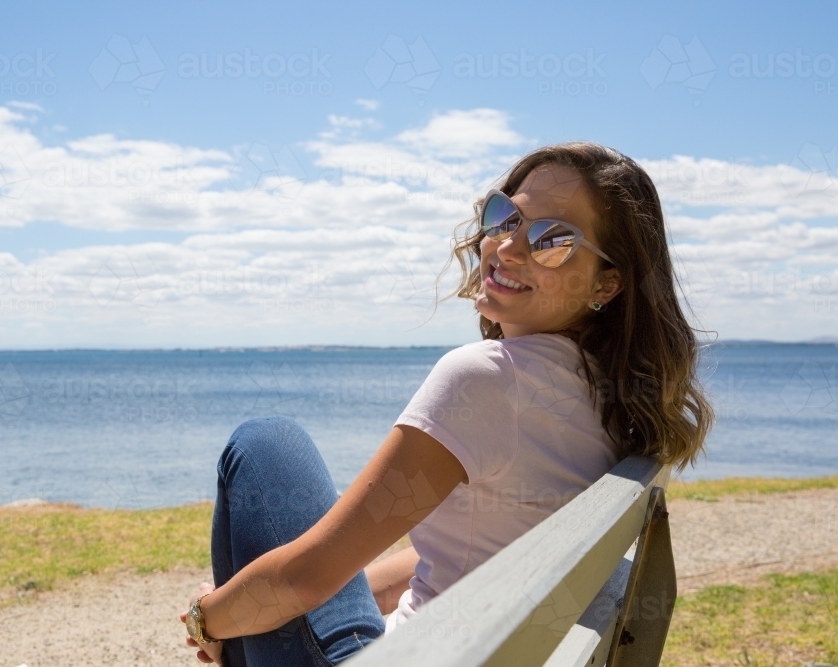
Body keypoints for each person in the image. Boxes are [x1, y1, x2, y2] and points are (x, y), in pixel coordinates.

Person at [178, 141, 714, 666]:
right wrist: (281, 612)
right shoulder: (609, 395)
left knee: (266, 442)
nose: (507, 248)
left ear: (607, 284)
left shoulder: (486, 379)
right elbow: (465, 556)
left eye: (553, 240)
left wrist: (209, 620)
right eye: (505, 218)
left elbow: (307, 576)